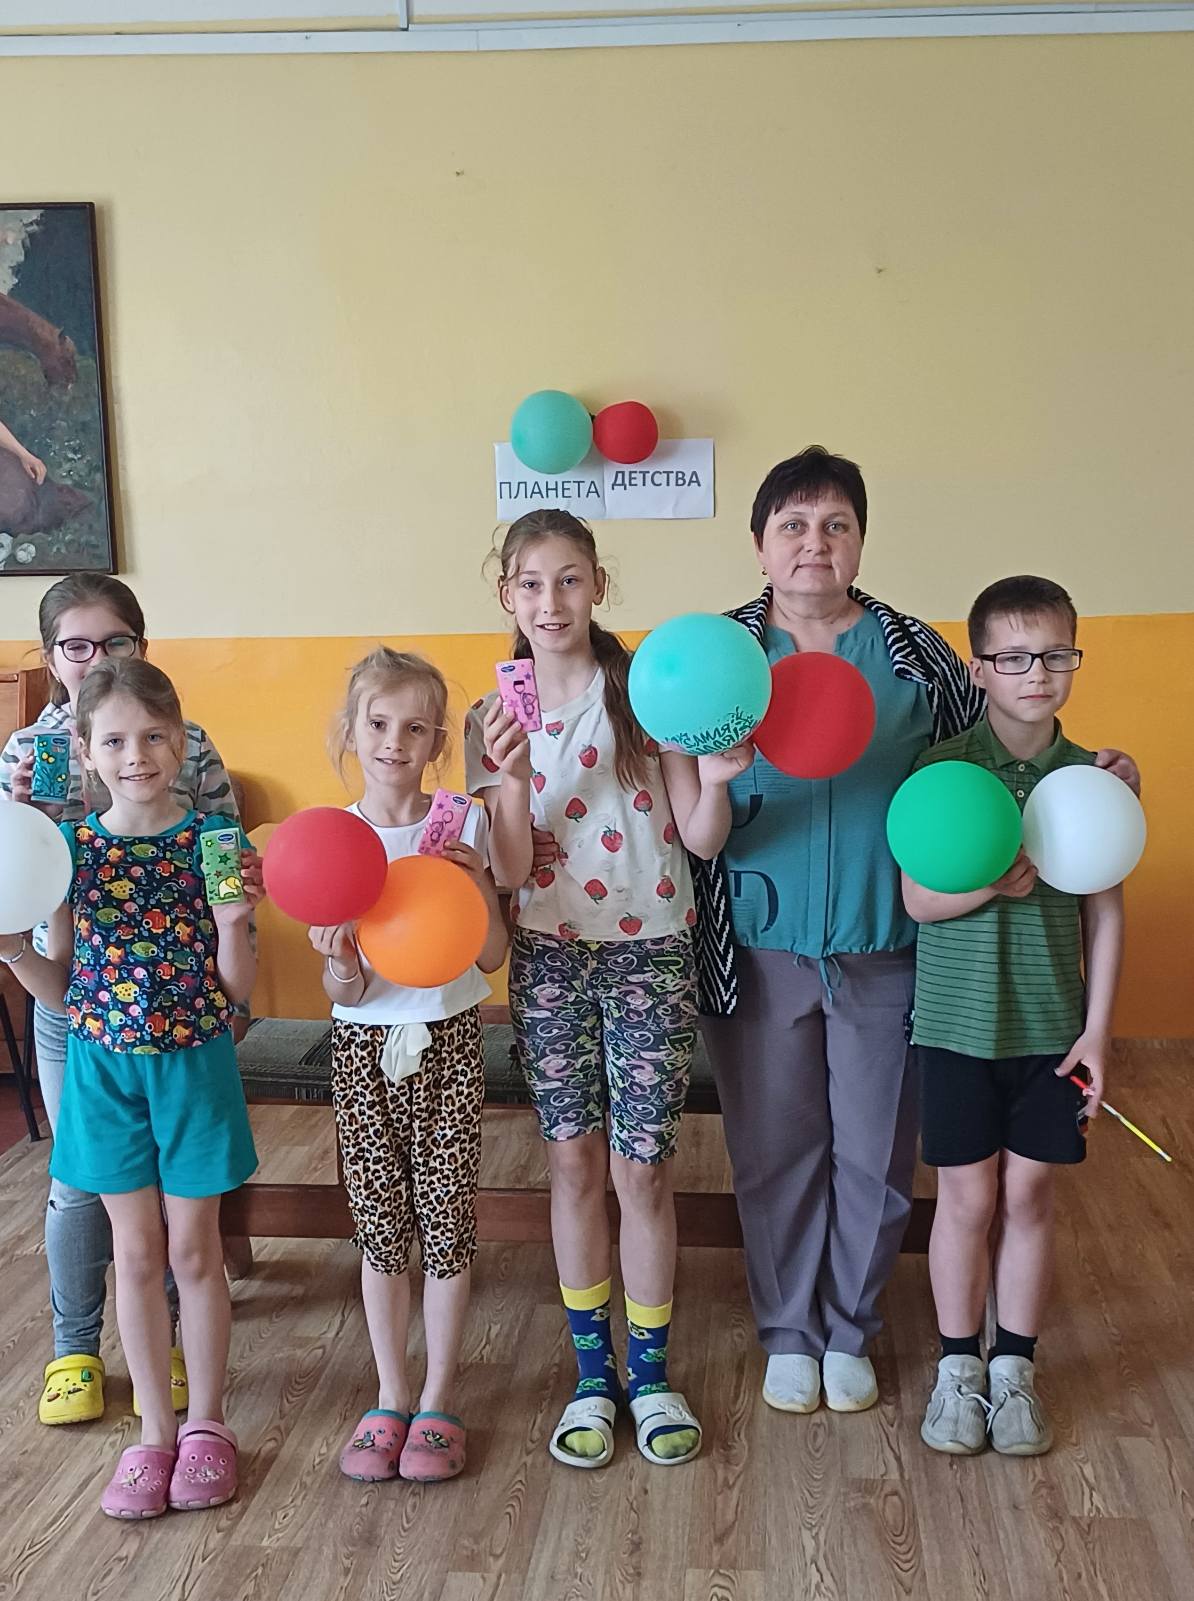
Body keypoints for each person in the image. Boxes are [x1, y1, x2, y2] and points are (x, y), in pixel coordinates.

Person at [668, 446, 1139, 1417]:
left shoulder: (915, 653)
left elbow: (996, 758)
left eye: (835, 524)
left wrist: (1097, 781)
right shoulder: (718, 658)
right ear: (759, 544)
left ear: (860, 540)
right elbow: (691, 819)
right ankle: (789, 1330)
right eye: (793, 525)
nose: (815, 543)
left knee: (876, 1153)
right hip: (757, 950)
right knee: (774, 1149)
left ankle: (849, 1326)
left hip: (892, 944)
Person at [465, 509, 703, 1469]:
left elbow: (697, 829)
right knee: (571, 1164)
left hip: (651, 950)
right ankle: (592, 1375)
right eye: (531, 583)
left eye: (569, 579)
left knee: (642, 1170)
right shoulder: (493, 720)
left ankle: (650, 1372)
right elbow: (509, 870)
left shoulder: (647, 692)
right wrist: (512, 778)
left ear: (599, 584)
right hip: (550, 958)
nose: (551, 601)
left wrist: (720, 765)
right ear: (506, 595)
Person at [0, 658, 260, 1518]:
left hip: (195, 1069)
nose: (136, 755)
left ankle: (207, 1425)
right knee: (137, 1255)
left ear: (182, 741)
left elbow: (238, 990)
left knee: (194, 1253)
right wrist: (11, 948)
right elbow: (62, 986)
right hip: (103, 1074)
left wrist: (234, 926)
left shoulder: (214, 842)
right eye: (113, 740)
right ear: (84, 749)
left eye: (154, 736)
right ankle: (154, 1432)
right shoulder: (70, 850)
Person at [905, 575, 1124, 1457]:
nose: (1037, 672)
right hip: (955, 1026)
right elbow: (918, 900)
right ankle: (959, 1367)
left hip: (1052, 1029)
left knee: (1030, 1194)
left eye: (1055, 654)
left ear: (1074, 657)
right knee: (966, 1197)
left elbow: (1105, 911)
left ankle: (1015, 1368)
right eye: (1014, 657)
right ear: (979, 667)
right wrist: (990, 883)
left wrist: (1098, 1030)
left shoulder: (1093, 779)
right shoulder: (944, 770)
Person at [310, 648, 508, 1485]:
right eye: (379, 723)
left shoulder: (462, 825)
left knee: (447, 1220)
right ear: (351, 731)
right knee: (381, 1226)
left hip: (451, 1037)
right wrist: (338, 957)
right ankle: (390, 1392)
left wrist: (479, 882)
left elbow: (491, 954)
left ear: (437, 742)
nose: (395, 740)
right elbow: (344, 987)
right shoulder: (333, 840)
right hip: (361, 1048)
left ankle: (437, 1397)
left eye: (416, 727)